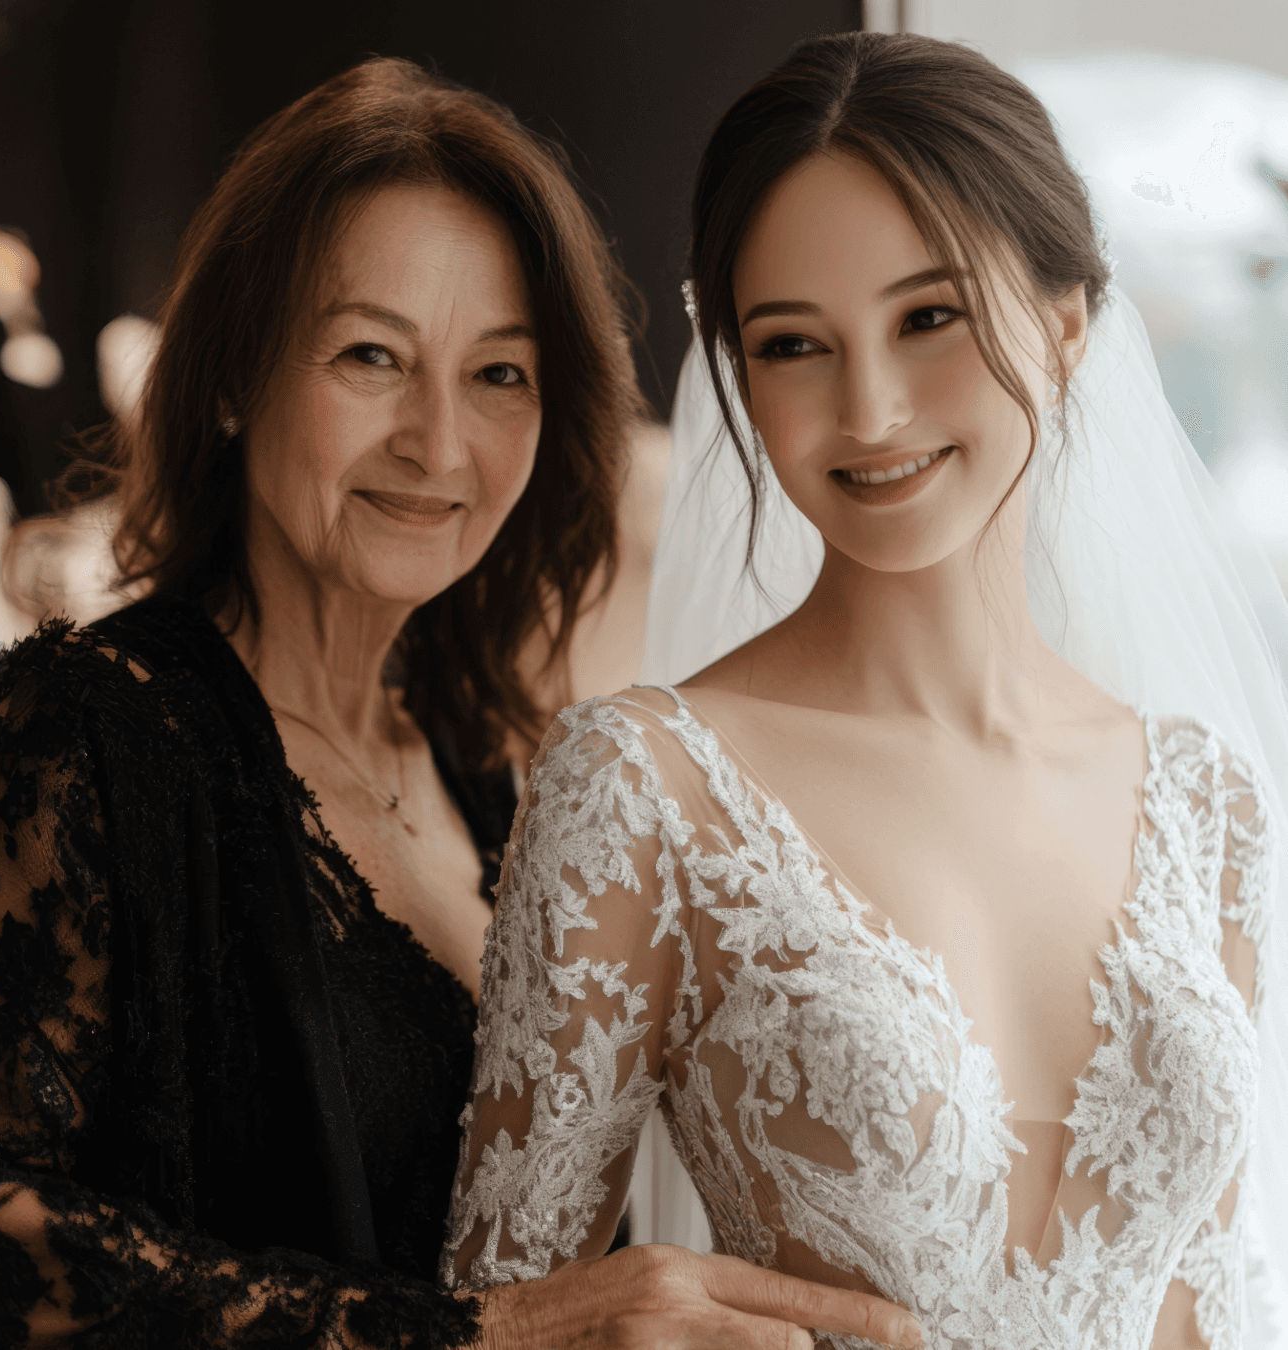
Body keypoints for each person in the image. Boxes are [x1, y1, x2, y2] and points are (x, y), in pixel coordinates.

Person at [0, 56, 917, 1350]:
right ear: (229, 375)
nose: (439, 443)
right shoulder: (78, 729)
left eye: (499, 373)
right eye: (370, 356)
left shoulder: (491, 766)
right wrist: (479, 1335)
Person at [443, 31, 1288, 1349]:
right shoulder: (641, 787)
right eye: (794, 344)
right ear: (739, 377)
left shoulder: (1205, 806)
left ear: (1066, 326)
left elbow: (1211, 1306)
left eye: (928, 317)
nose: (872, 408)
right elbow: (495, 1314)